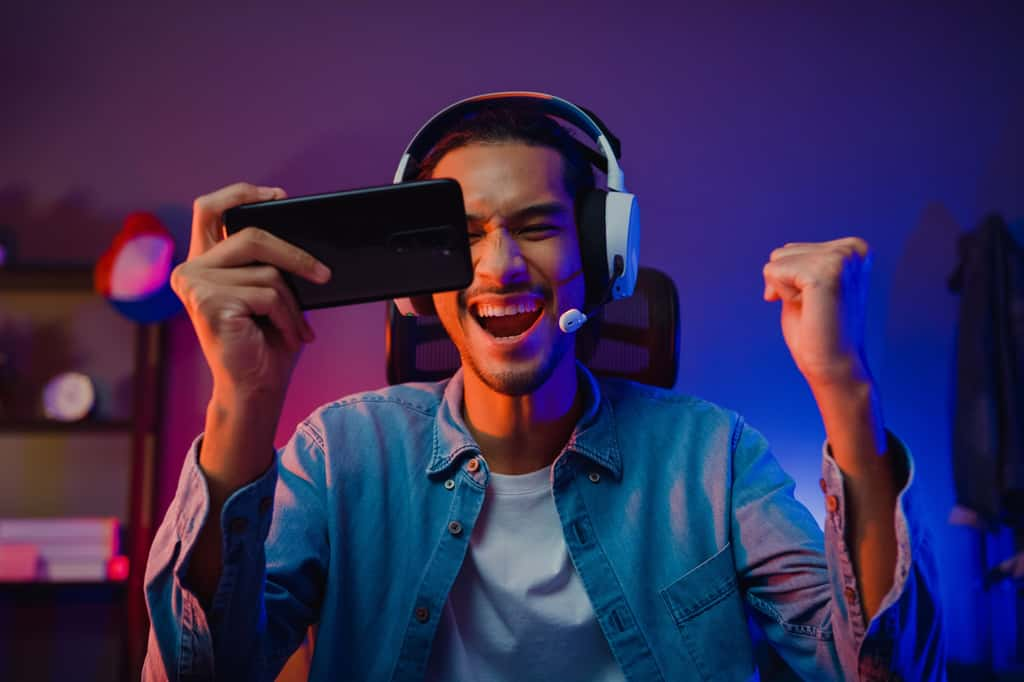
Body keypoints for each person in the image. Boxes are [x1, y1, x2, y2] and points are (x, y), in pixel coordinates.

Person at [143, 94, 943, 681]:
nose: (500, 267)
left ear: (603, 257)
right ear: (417, 289)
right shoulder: (339, 453)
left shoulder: (715, 458)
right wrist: (240, 403)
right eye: (463, 238)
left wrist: (847, 393)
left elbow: (880, 674)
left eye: (535, 226)